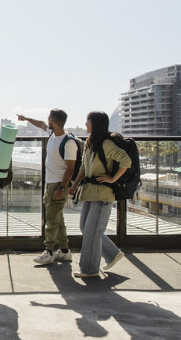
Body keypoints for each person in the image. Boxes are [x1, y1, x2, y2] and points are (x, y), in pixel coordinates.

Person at [68, 111, 129, 278]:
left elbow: (126, 160)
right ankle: (112, 253)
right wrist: (74, 185)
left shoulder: (106, 143)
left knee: (92, 231)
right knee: (86, 228)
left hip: (102, 195)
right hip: (89, 193)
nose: (85, 124)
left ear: (94, 123)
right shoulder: (90, 142)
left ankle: (89, 270)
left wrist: (112, 178)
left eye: (87, 121)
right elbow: (83, 167)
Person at [17, 110, 76, 265]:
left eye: (49, 119)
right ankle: (64, 251)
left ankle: (48, 251)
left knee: (51, 218)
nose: (47, 121)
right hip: (51, 183)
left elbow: (70, 168)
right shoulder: (52, 134)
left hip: (58, 184)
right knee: (58, 218)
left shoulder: (68, 142)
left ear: (54, 122)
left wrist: (62, 188)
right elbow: (40, 124)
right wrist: (25, 118)